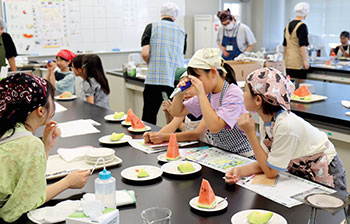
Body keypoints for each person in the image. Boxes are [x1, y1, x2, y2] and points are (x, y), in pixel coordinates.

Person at [225, 67, 347, 194]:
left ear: (258, 100)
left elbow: (270, 172)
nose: (242, 94)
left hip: (325, 169)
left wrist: (250, 134)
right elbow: (266, 162)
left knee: (330, 212)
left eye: (245, 90)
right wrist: (239, 171)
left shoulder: (285, 126)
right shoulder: (266, 118)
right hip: (302, 168)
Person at [0, 73, 90, 222]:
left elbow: (25, 175)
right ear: (40, 110)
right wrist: (68, 182)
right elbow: (29, 201)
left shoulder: (9, 131)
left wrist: (46, 147)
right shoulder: (30, 144)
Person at [171, 48, 254, 159]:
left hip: (242, 156)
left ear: (213, 73)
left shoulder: (233, 93)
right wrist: (180, 92)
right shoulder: (208, 94)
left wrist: (200, 93)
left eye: (198, 77)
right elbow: (177, 111)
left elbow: (215, 126)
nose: (196, 83)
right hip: (221, 153)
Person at [140, 2, 187, 125]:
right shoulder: (182, 31)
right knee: (175, 117)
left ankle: (148, 141)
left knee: (149, 116)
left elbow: (145, 53)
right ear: (175, 17)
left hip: (154, 80)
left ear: (161, 14)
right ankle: (175, 141)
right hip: (175, 81)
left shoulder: (152, 27)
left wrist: (151, 63)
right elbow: (181, 55)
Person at [144, 72, 209, 144]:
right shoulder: (186, 106)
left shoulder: (207, 104)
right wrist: (154, 136)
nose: (185, 92)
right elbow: (172, 125)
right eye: (182, 88)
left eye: (189, 86)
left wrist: (163, 137)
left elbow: (196, 134)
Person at [283, 2, 310, 79]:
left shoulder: (287, 26)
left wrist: (285, 59)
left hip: (288, 62)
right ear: (305, 14)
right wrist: (305, 61)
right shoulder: (302, 26)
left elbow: (284, 45)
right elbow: (302, 45)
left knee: (290, 86)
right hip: (298, 63)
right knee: (299, 87)